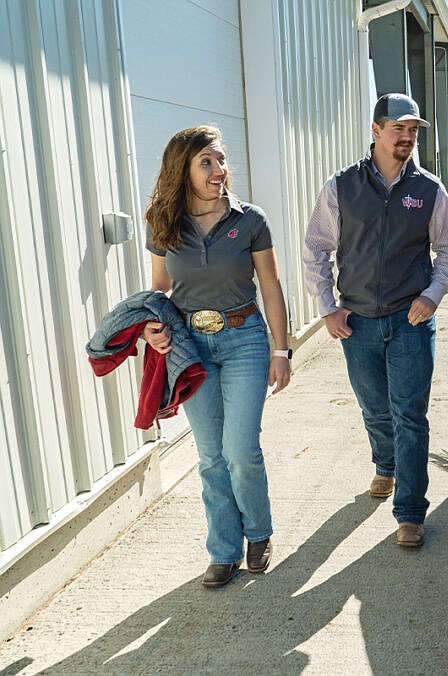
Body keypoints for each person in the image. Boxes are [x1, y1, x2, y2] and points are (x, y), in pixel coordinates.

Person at [302, 93, 448, 548]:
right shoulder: (341, 187)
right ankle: (386, 465)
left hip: (410, 321)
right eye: (399, 129)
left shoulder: (429, 190)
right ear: (375, 131)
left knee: (410, 415)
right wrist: (327, 307)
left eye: (413, 131)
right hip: (357, 324)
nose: (407, 138)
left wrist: (433, 295)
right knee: (375, 408)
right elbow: (317, 248)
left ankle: (411, 512)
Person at [142, 125, 292, 588]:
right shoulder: (164, 223)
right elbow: (161, 289)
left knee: (240, 449)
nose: (218, 170)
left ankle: (259, 533)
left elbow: (270, 285)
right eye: (206, 162)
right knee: (209, 455)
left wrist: (281, 349)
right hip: (190, 346)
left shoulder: (250, 220)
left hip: (244, 337)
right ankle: (223, 551)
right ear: (182, 169)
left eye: (221, 160)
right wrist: (151, 326)